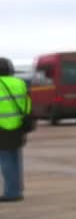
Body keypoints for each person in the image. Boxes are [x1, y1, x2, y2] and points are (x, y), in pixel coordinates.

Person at [0, 58, 31, 202]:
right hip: (18, 127)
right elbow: (27, 104)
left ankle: (11, 193)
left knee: (6, 161)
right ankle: (17, 189)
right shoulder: (20, 83)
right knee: (15, 159)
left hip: (2, 128)